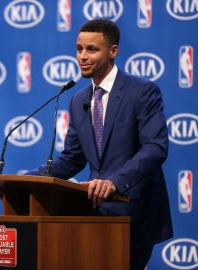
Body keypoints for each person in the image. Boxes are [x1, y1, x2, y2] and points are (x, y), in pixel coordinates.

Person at [15, 19, 173, 269]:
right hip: (95, 216)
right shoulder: (78, 100)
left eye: (92, 49)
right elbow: (72, 159)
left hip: (134, 213)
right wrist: (25, 179)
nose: (83, 57)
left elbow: (156, 147)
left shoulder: (142, 91)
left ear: (113, 51)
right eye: (79, 49)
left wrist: (114, 181)